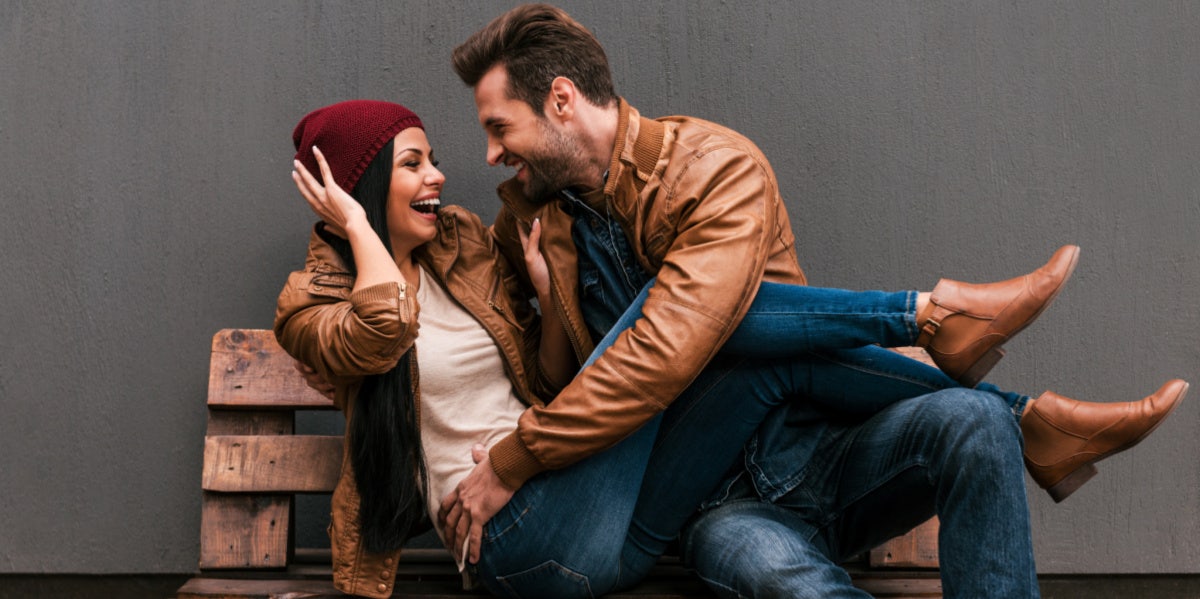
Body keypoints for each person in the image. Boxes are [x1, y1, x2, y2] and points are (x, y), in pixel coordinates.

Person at [438, 4, 1187, 598]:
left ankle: (998, 397)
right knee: (784, 576)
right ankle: (954, 337)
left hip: (826, 453)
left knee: (974, 420)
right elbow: (589, 376)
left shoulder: (714, 169)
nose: (493, 155)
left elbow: (671, 346)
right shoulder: (538, 224)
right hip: (711, 503)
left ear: (561, 101)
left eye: (500, 127)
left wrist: (518, 453)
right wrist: (544, 303)